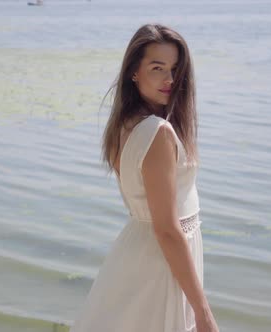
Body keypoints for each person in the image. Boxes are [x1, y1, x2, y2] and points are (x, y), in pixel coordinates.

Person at [70, 24, 219, 332]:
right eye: (157, 67)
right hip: (161, 264)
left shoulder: (125, 125)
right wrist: (203, 312)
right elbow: (167, 229)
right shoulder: (157, 132)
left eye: (176, 69)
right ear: (134, 72)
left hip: (139, 252)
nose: (170, 79)